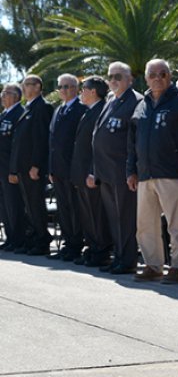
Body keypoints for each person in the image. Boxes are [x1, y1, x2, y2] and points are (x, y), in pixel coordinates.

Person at [128, 59, 178, 284]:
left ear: (170, 76)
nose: (157, 78)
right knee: (146, 224)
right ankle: (153, 266)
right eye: (152, 74)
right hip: (145, 174)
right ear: (145, 78)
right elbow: (132, 142)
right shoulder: (141, 105)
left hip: (173, 173)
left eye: (162, 74)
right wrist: (131, 170)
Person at [90, 62, 143, 274]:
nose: (113, 80)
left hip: (122, 171)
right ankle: (119, 256)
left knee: (125, 218)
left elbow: (134, 139)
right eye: (110, 76)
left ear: (129, 79)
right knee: (113, 218)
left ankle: (127, 260)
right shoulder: (111, 100)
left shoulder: (135, 101)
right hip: (106, 171)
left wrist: (132, 170)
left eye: (118, 77)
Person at [9, 75, 54, 255]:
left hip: (32, 168)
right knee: (29, 206)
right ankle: (34, 238)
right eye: (24, 85)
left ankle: (42, 240)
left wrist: (36, 164)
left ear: (37, 87)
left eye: (28, 85)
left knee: (36, 205)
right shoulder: (28, 108)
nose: (25, 88)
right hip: (22, 167)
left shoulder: (42, 107)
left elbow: (41, 139)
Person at [70, 76, 112, 267]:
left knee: (96, 215)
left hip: (90, 173)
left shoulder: (100, 111)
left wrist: (92, 171)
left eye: (83, 89)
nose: (81, 92)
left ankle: (101, 250)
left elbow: (98, 147)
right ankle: (93, 248)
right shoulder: (89, 111)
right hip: (81, 173)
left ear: (93, 91)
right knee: (87, 215)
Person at [47, 74, 86, 261]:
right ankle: (68, 244)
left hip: (72, 169)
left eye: (68, 86)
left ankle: (76, 245)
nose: (63, 90)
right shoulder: (58, 110)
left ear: (76, 89)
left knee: (75, 209)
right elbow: (52, 142)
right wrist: (51, 169)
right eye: (61, 87)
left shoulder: (80, 109)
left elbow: (80, 142)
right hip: (58, 169)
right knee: (63, 209)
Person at [0, 84, 26, 251]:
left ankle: (18, 238)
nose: (2, 96)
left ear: (16, 96)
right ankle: (10, 237)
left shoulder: (20, 114)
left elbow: (18, 145)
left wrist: (13, 169)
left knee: (14, 204)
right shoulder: (4, 114)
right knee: (3, 204)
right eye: (2, 93)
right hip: (0, 167)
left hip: (10, 167)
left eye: (6, 93)